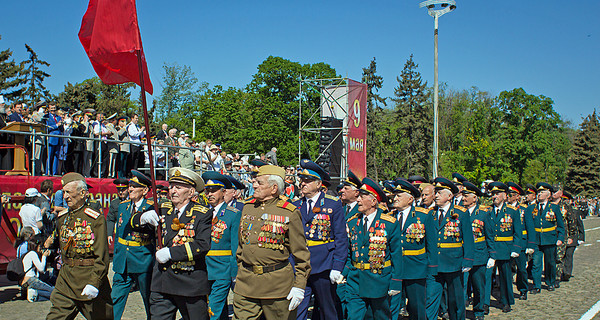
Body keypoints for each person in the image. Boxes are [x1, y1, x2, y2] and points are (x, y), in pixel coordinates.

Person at [233, 165, 311, 320]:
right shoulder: (248, 208)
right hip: (246, 283)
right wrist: (241, 269)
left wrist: (299, 286)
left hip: (277, 286)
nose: (254, 185)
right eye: (255, 181)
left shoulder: (289, 212)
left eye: (260, 182)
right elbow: (241, 245)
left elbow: (301, 254)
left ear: (274, 188)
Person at [45, 172, 112, 319]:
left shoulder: (95, 220)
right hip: (66, 281)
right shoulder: (62, 218)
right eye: (63, 192)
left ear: (82, 193)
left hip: (88, 280)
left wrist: (94, 283)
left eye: (68, 192)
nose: (65, 196)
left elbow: (101, 257)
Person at [150, 167, 212, 320]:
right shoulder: (162, 208)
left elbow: (202, 245)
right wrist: (142, 218)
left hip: (189, 282)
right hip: (162, 281)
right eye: (171, 186)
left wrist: (171, 253)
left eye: (178, 187)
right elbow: (136, 223)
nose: (173, 191)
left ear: (191, 193)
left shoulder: (202, 213)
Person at [293, 159, 347, 320]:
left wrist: (337, 267)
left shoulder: (333, 204)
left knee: (327, 309)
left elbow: (341, 239)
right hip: (300, 265)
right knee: (298, 309)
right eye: (301, 180)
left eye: (307, 181)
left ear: (318, 184)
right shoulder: (295, 205)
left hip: (324, 265)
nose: (302, 184)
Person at [345, 177, 402, 320]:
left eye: (362, 197)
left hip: (379, 280)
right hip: (355, 280)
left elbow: (396, 255)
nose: (358, 200)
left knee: (380, 316)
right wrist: (344, 272)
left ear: (373, 201)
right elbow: (348, 250)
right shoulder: (352, 222)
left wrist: (396, 282)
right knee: (353, 316)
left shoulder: (389, 223)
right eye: (358, 197)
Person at [425, 177, 474, 320]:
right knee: (431, 300)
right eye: (436, 192)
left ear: (449, 196)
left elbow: (468, 239)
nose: (436, 196)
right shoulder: (430, 213)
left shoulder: (460, 213)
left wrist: (468, 260)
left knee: (455, 301)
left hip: (454, 263)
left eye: (440, 193)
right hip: (434, 264)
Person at [111, 170, 157, 320]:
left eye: (134, 186)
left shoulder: (151, 207)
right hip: (123, 259)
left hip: (142, 258)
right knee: (116, 298)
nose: (130, 189)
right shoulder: (123, 206)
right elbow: (119, 233)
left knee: (148, 298)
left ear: (144, 190)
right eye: (130, 185)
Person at [389, 179, 437, 320]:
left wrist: (432, 269)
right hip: (394, 269)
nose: (395, 198)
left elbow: (431, 244)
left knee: (416, 307)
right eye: (395, 195)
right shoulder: (390, 217)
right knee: (392, 307)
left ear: (410, 199)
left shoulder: (423, 216)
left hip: (416, 268)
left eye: (399, 195)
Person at [201, 171, 241, 320]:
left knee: (212, 311)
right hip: (204, 268)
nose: (209, 194)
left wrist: (234, 273)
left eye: (213, 191)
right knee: (219, 310)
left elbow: (235, 246)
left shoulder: (233, 214)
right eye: (207, 190)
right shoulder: (202, 213)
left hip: (222, 269)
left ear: (223, 192)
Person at [487, 182, 523, 313]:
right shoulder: (488, 210)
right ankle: (485, 302)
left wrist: (516, 248)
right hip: (490, 247)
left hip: (505, 248)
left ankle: (506, 301)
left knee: (505, 276)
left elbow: (517, 232)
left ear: (505, 195)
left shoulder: (512, 212)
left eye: (497, 194)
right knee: (487, 276)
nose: (494, 196)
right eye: (493, 194)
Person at [461, 181, 494, 320]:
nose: (463, 198)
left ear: (474, 198)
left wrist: (492, 255)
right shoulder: (459, 213)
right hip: (462, 254)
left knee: (478, 286)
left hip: (479, 254)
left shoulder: (484, 213)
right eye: (463, 195)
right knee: (462, 285)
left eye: (466, 196)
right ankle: (460, 310)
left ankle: (479, 310)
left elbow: (490, 234)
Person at [528, 182, 565, 294]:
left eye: (542, 192)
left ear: (548, 195)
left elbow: (560, 225)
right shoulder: (531, 208)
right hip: (536, 240)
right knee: (536, 263)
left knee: (550, 263)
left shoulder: (554, 207)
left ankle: (550, 282)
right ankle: (536, 285)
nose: (539, 194)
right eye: (538, 192)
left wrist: (560, 238)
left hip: (550, 239)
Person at [335, 171, 361, 319]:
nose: (342, 191)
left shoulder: (362, 211)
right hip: (339, 262)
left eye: (346, 188)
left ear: (356, 192)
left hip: (352, 266)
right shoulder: (340, 208)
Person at [553, 189, 579, 284]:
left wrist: (571, 236)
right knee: (550, 258)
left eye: (555, 192)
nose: (553, 194)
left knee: (559, 257)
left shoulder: (565, 206)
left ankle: (556, 278)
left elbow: (571, 221)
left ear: (560, 193)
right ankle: (551, 276)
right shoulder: (549, 205)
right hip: (550, 235)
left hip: (562, 235)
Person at [21, 234, 55, 302]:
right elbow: (41, 269)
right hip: (32, 279)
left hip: (29, 280)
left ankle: (35, 295)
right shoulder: (32, 254)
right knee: (54, 292)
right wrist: (44, 256)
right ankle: (35, 292)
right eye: (39, 246)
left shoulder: (28, 254)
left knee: (52, 292)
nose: (40, 248)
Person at [107, 178, 129, 246]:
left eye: (123, 190)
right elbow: (110, 219)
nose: (120, 192)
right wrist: (109, 234)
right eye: (119, 190)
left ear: (128, 189)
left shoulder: (133, 200)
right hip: (119, 234)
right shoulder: (115, 203)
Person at [45, 103, 63, 176]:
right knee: (49, 156)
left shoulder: (59, 117)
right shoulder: (46, 117)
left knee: (56, 157)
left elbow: (61, 129)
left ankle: (54, 172)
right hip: (51, 139)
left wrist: (62, 125)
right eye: (51, 108)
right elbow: (47, 128)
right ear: (48, 109)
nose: (53, 110)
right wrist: (56, 125)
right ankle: (48, 172)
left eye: (54, 108)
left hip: (58, 139)